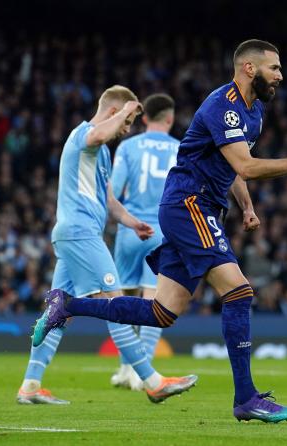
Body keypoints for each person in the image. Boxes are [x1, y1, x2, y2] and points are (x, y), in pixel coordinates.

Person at [32, 39, 287, 422]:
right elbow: (247, 165)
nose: (281, 75)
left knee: (163, 312)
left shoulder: (253, 112)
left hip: (199, 206)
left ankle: (67, 305)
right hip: (190, 203)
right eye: (274, 68)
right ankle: (246, 398)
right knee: (239, 291)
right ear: (249, 68)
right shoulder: (222, 105)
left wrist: (247, 206)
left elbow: (232, 166)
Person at [17, 85, 197, 405]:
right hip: (81, 234)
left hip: (80, 235)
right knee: (116, 305)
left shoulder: (101, 153)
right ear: (114, 113)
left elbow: (110, 199)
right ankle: (153, 381)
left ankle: (30, 385)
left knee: (59, 313)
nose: (125, 131)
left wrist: (132, 222)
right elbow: (99, 134)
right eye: (125, 123)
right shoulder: (83, 136)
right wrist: (128, 110)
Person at [109, 93, 180, 391]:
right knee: (154, 301)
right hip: (163, 230)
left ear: (146, 117)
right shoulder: (180, 148)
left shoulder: (128, 146)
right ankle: (143, 372)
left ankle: (126, 368)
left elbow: (114, 189)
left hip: (130, 228)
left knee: (120, 299)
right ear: (170, 117)